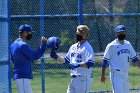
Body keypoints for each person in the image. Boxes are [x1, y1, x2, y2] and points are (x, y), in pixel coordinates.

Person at [48, 25, 94, 93]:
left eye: (80, 34)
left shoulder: (87, 47)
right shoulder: (73, 47)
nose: (78, 35)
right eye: (77, 33)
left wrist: (77, 65)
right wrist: (56, 56)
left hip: (83, 79)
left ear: (85, 35)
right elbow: (67, 60)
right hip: (73, 78)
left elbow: (90, 62)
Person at [100, 25, 140, 93]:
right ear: (116, 33)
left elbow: (135, 59)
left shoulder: (128, 44)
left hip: (125, 73)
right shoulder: (111, 45)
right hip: (116, 74)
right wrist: (103, 74)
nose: (121, 34)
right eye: (119, 32)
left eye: (123, 32)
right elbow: (105, 61)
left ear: (125, 33)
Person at [10, 24, 47, 93]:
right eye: (30, 33)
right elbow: (35, 55)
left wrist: (29, 60)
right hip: (23, 76)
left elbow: (13, 59)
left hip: (18, 75)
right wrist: (43, 44)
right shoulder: (23, 45)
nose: (31, 35)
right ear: (24, 33)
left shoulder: (12, 45)